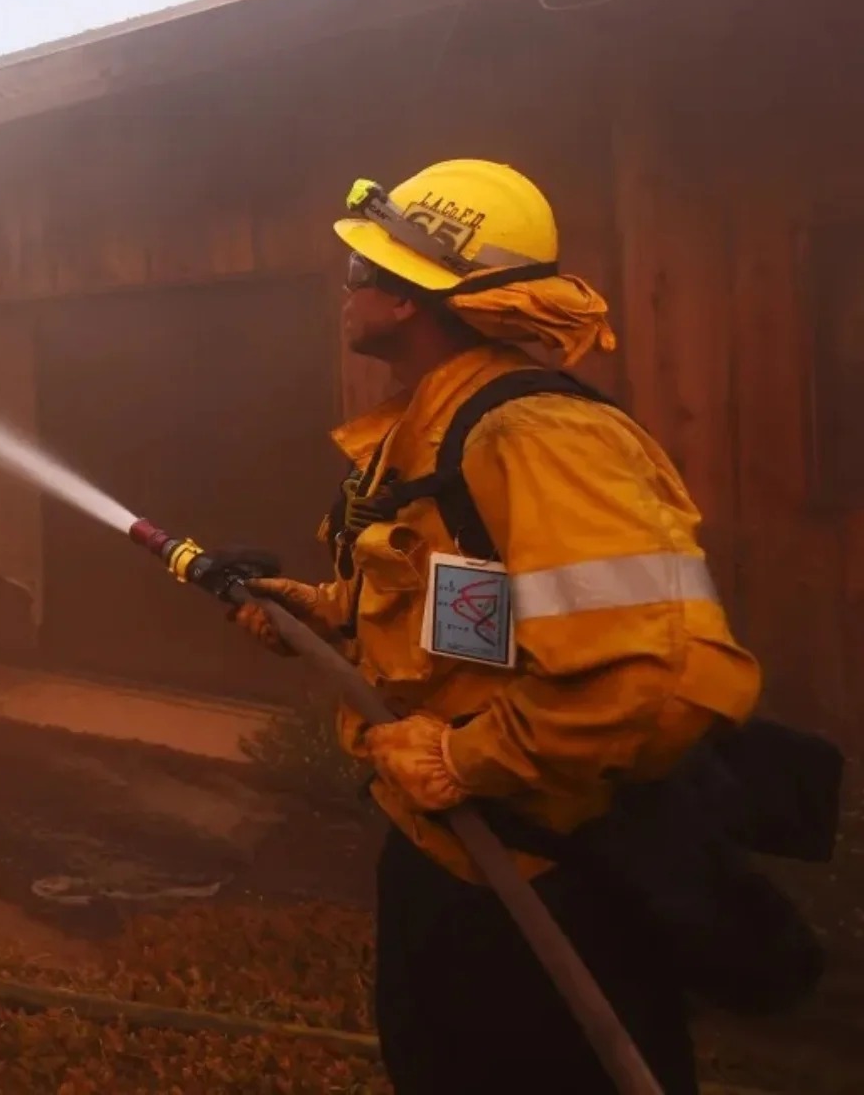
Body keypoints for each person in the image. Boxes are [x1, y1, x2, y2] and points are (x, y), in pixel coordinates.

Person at [231, 159, 763, 1095]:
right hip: (451, 861)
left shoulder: (538, 436)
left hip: (540, 880)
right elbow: (461, 604)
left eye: (363, 271)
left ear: (412, 300)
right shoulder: (434, 430)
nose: (346, 291)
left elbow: (641, 673)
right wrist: (320, 612)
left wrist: (466, 763)